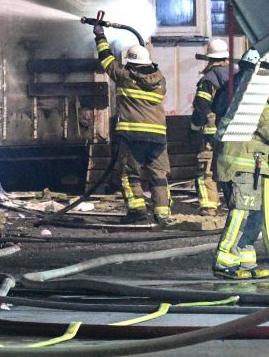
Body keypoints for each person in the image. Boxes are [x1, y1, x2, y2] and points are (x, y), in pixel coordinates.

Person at [212, 50, 269, 280]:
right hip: (244, 165)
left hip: (244, 165)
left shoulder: (233, 89)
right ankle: (224, 259)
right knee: (241, 212)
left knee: (253, 213)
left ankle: (245, 261)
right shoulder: (252, 95)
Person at [93, 24, 171, 226]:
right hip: (159, 137)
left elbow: (107, 60)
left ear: (131, 63)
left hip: (133, 135)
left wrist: (100, 35)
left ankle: (137, 211)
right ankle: (163, 214)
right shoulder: (160, 79)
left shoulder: (125, 77)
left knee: (130, 175)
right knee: (159, 176)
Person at [190, 38, 231, 217]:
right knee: (232, 169)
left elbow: (201, 108)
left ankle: (209, 206)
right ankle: (236, 204)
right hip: (234, 134)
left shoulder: (208, 80)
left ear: (209, 58)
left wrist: (192, 130)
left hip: (211, 135)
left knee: (205, 170)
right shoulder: (238, 76)